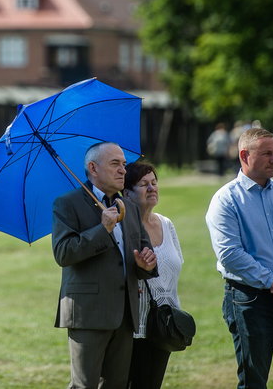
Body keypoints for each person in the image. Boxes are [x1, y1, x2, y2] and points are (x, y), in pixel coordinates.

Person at [205, 127, 273, 389]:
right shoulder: (225, 199)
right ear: (244, 155)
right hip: (249, 301)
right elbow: (230, 254)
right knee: (254, 381)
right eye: (267, 153)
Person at [53, 141, 159, 389]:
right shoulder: (67, 204)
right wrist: (103, 229)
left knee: (116, 385)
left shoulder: (129, 206)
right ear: (93, 168)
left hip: (125, 314)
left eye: (123, 164)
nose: (123, 170)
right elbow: (63, 253)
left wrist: (146, 264)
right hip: (88, 313)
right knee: (84, 385)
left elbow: (145, 254)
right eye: (115, 164)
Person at [122, 161, 183, 389]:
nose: (152, 188)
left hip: (163, 324)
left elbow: (176, 265)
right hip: (134, 326)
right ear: (127, 193)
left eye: (154, 183)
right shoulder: (123, 227)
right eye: (143, 184)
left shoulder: (167, 224)